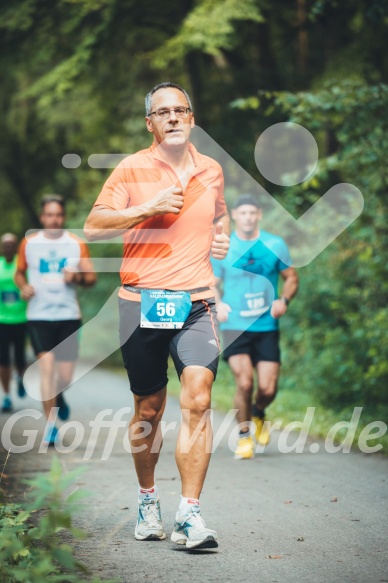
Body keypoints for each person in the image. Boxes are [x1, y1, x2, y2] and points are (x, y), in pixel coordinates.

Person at [84, 82, 230, 549]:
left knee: (199, 397)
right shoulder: (130, 169)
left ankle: (190, 514)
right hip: (141, 301)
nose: (173, 118)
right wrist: (146, 208)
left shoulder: (211, 170)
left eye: (181, 110)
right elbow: (93, 225)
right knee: (148, 409)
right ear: (150, 122)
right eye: (163, 112)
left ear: (192, 118)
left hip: (197, 301)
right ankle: (148, 499)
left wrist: (220, 237)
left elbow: (218, 216)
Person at [212, 194, 298, 459]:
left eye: (253, 213)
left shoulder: (274, 244)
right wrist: (219, 304)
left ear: (259, 214)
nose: (248, 217)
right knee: (245, 382)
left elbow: (291, 277)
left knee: (268, 389)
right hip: (236, 325)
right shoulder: (223, 247)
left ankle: (259, 413)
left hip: (266, 325)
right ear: (235, 216)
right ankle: (244, 437)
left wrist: (283, 299)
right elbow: (211, 283)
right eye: (243, 213)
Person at [15, 194, 96, 445]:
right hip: (39, 315)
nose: (54, 219)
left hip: (68, 316)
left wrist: (78, 278)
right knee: (46, 369)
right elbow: (19, 273)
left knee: (65, 376)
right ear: (42, 217)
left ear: (63, 217)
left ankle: (59, 395)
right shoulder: (28, 243)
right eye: (49, 215)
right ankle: (51, 427)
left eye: (58, 215)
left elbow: (91, 278)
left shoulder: (75, 244)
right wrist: (23, 287)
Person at [0, 233, 28, 412]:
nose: (9, 247)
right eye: (5, 245)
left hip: (22, 318)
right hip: (2, 320)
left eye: (12, 244)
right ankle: (7, 396)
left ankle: (20, 378)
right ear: (2, 247)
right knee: (3, 360)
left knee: (20, 358)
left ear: (16, 246)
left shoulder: (22, 265)